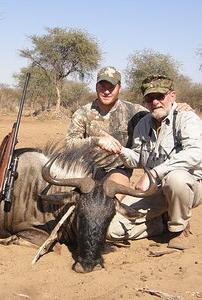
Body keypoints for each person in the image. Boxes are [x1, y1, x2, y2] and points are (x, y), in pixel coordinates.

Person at [102, 74, 202, 250]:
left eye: (159, 96)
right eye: (149, 98)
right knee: (112, 229)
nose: (155, 102)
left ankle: (178, 230)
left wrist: (155, 173)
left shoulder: (187, 118)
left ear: (172, 96)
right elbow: (137, 160)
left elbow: (196, 153)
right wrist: (120, 151)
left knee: (175, 179)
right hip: (154, 191)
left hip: (189, 188)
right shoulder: (144, 124)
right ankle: (161, 222)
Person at [65, 66, 190, 200]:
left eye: (111, 87)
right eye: (102, 86)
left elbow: (161, 114)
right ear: (96, 87)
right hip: (84, 170)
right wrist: (96, 141)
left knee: (109, 200)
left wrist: (177, 107)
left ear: (119, 88)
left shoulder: (136, 112)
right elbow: (68, 144)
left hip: (117, 170)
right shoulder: (82, 113)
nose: (106, 91)